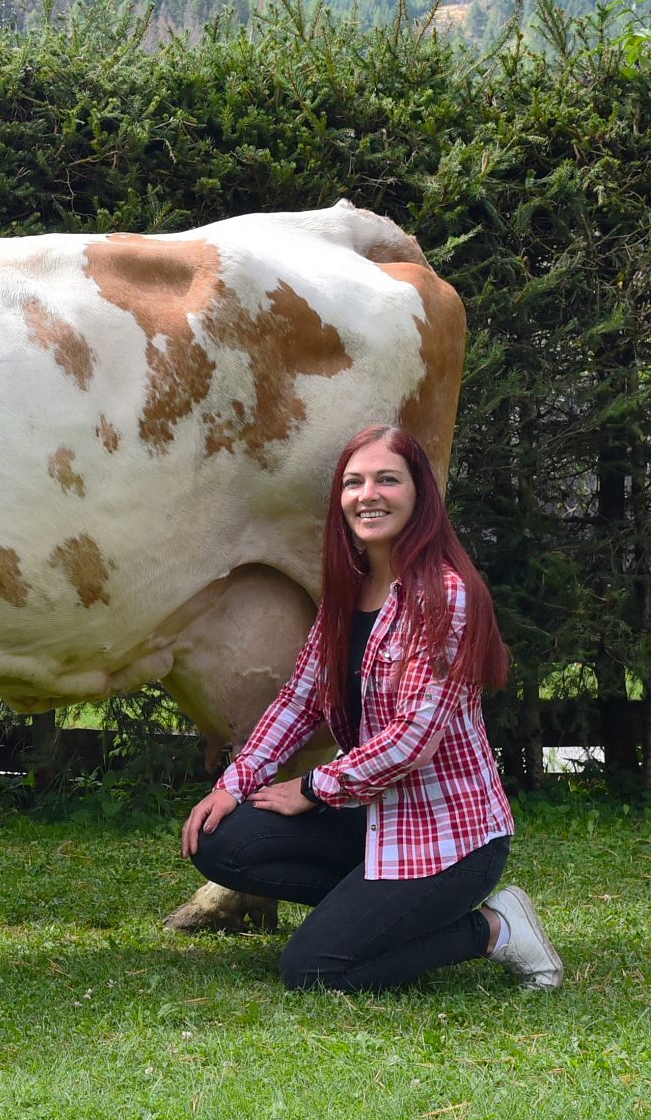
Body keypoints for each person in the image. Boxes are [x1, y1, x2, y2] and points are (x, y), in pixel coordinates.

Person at [179, 423, 563, 992]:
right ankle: (373, 915)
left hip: (450, 838)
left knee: (313, 969)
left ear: (419, 494)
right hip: (375, 817)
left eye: (388, 480)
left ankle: (493, 928)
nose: (368, 495)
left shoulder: (445, 595)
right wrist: (235, 784)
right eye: (354, 482)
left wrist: (311, 788)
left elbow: (412, 740)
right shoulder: (347, 591)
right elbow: (300, 700)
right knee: (222, 841)